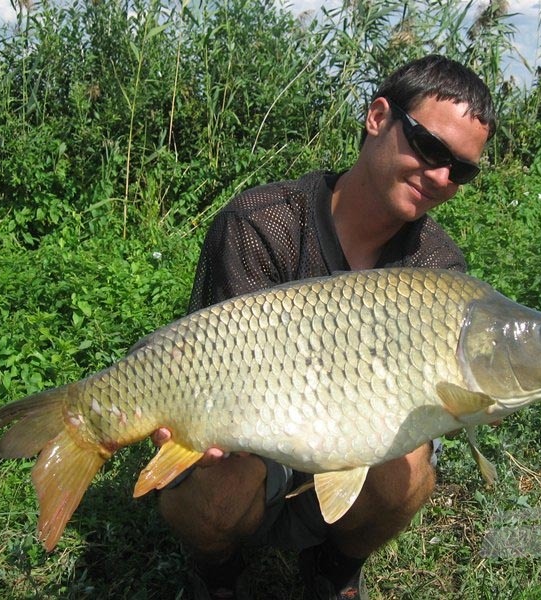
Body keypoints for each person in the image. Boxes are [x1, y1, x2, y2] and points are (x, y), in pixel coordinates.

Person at [154, 54, 496, 600]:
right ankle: (218, 575)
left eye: (462, 170)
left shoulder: (436, 265)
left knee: (411, 465)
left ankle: (333, 569)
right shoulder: (262, 222)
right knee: (218, 482)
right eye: (430, 148)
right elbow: (219, 368)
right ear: (378, 117)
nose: (440, 177)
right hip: (257, 443)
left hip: (364, 441)